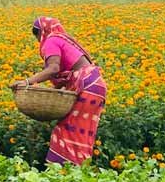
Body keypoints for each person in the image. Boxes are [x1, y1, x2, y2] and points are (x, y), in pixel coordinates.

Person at [10, 17, 107, 166]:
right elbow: (66, 73)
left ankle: (65, 171)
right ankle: (79, 171)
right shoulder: (62, 39)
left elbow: (53, 68)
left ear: (42, 32)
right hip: (95, 85)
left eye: (37, 37)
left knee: (67, 131)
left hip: (87, 86)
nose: (39, 41)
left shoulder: (51, 40)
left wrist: (27, 82)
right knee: (81, 133)